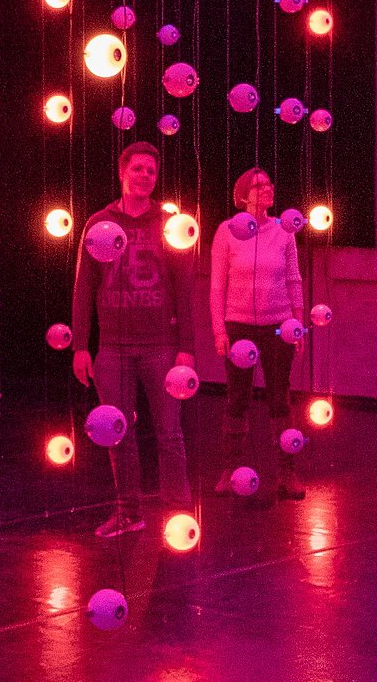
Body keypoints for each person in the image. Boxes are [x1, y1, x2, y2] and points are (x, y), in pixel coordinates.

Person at [71, 142, 199, 537]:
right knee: (117, 430)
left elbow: (184, 287)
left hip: (161, 345)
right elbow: (83, 286)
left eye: (152, 171)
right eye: (139, 169)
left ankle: (178, 509)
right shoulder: (99, 222)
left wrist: (186, 348)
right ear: (123, 172)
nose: (146, 176)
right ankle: (128, 511)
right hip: (112, 347)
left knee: (169, 432)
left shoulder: (169, 224)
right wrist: (80, 345)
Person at [209, 167, 307, 501]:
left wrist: (298, 323)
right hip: (238, 325)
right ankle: (229, 469)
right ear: (243, 195)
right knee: (237, 397)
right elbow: (217, 284)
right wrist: (219, 330)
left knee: (281, 397)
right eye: (259, 184)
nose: (267, 188)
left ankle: (287, 472)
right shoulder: (226, 231)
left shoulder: (284, 230)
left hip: (278, 325)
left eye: (269, 182)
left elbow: (294, 278)